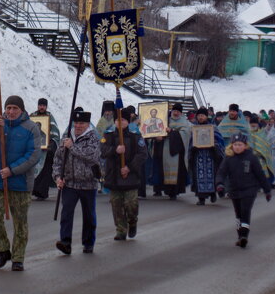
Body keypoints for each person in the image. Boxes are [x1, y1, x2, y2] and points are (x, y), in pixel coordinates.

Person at [0, 95, 39, 272]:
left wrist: (12, 170)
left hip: (20, 183)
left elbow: (33, 155)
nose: (11, 112)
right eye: (8, 108)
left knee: (20, 222)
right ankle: (3, 250)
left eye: (15, 108)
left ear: (22, 110)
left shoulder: (31, 128)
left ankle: (18, 257)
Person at [54, 108, 102, 254]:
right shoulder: (66, 138)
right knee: (66, 214)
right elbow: (57, 160)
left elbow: (92, 157)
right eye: (76, 123)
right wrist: (57, 177)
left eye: (82, 123)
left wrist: (72, 147)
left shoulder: (93, 138)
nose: (79, 126)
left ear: (88, 124)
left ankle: (88, 242)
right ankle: (65, 242)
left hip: (88, 183)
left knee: (89, 215)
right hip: (70, 183)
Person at [216, 133, 273, 248]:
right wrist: (220, 184)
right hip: (234, 190)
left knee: (245, 211)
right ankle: (239, 236)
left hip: (249, 190)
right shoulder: (228, 158)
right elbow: (221, 173)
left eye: (240, 144)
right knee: (238, 214)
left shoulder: (251, 157)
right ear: (232, 146)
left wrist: (267, 190)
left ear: (245, 145)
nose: (237, 147)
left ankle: (244, 236)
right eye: (235, 144)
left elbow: (260, 175)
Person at [101, 112, 147, 240]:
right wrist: (114, 150)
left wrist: (129, 168)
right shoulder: (108, 135)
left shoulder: (135, 136)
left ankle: (132, 222)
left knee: (131, 204)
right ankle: (121, 229)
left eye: (123, 120)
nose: (120, 122)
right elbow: (102, 150)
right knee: (117, 205)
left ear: (128, 121)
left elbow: (142, 154)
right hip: (114, 176)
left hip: (130, 176)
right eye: (118, 120)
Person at [152, 103, 190, 199]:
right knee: (163, 169)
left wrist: (172, 132)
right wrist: (157, 137)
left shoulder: (184, 122)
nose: (176, 113)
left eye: (178, 111)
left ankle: (174, 192)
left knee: (176, 172)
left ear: (181, 113)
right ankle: (164, 189)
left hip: (177, 151)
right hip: (164, 148)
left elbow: (185, 134)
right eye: (174, 111)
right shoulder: (165, 120)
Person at [187, 108, 224, 205]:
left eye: (202, 115)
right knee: (198, 176)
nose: (200, 117)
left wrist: (214, 145)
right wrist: (193, 148)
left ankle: (212, 194)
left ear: (206, 116)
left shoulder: (213, 128)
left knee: (212, 175)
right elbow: (191, 142)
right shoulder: (194, 129)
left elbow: (219, 140)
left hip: (211, 155)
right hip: (198, 155)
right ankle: (201, 198)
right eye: (199, 116)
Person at [30, 97, 61, 201]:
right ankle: (33, 190)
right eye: (40, 105)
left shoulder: (49, 117)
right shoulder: (32, 116)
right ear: (38, 106)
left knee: (44, 171)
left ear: (46, 106)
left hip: (46, 151)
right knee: (32, 171)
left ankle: (42, 193)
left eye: (43, 105)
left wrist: (52, 143)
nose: (41, 107)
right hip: (34, 151)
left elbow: (55, 133)